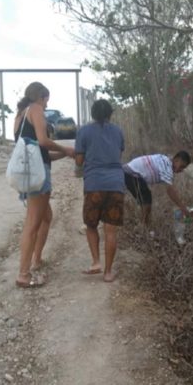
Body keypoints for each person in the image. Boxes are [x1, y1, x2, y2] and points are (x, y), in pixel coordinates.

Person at [14, 82, 75, 288]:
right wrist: (66, 149)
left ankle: (36, 260)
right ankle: (23, 274)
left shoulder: (21, 115)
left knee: (46, 217)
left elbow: (40, 152)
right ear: (41, 96)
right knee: (32, 223)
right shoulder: (36, 109)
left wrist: (66, 155)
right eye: (46, 99)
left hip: (29, 173)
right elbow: (43, 141)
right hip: (38, 175)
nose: (47, 103)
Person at [75, 99, 125, 283]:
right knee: (110, 230)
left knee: (91, 225)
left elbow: (79, 161)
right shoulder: (118, 131)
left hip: (94, 184)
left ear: (93, 113)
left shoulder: (84, 131)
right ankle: (108, 272)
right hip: (116, 185)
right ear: (110, 114)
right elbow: (118, 157)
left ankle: (96, 262)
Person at [124, 150, 192, 228]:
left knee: (146, 198)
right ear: (176, 160)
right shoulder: (167, 166)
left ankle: (145, 224)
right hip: (132, 174)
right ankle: (143, 226)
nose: (181, 170)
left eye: (184, 168)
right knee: (146, 199)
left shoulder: (165, 160)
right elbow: (170, 190)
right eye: (182, 166)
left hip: (129, 172)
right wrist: (183, 207)